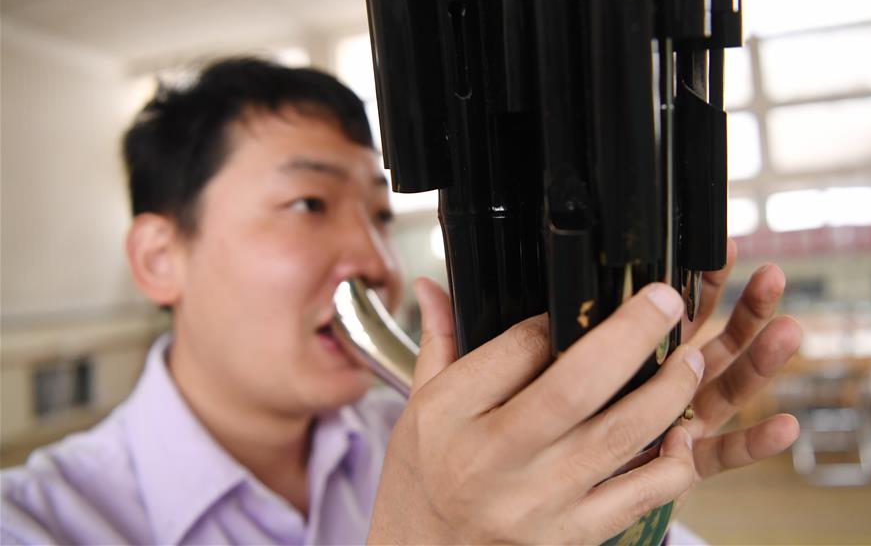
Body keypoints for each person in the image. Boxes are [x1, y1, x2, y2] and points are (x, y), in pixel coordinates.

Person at [1, 58, 801, 545]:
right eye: (308, 204)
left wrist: (621, 505)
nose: (376, 264)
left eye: (381, 218)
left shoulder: (441, 438)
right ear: (158, 258)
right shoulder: (35, 522)